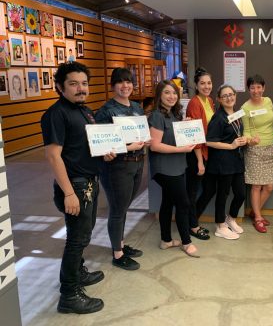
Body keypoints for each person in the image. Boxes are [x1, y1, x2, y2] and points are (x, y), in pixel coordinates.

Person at [40, 61, 115, 314]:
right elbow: (53, 156)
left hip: (89, 182)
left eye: (84, 83)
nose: (80, 88)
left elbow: (84, 145)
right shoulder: (56, 114)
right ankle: (69, 294)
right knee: (76, 239)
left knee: (84, 234)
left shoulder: (84, 111)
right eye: (73, 84)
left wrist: (103, 154)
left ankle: (78, 272)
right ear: (60, 87)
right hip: (75, 186)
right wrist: (69, 193)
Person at [95, 68, 147, 270]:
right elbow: (100, 145)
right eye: (120, 82)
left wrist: (143, 142)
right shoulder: (106, 111)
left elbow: (140, 133)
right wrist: (127, 147)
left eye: (129, 82)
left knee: (124, 207)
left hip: (137, 163)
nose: (125, 86)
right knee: (117, 210)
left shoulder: (136, 107)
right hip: (117, 167)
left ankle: (121, 245)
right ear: (112, 85)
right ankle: (117, 254)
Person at [149, 80, 199, 257]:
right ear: (159, 95)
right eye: (167, 93)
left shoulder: (175, 114)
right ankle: (186, 242)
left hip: (178, 165)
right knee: (183, 204)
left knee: (168, 202)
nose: (171, 96)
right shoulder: (156, 115)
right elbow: (154, 146)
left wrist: (185, 126)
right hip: (164, 168)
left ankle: (166, 240)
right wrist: (181, 149)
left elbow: (176, 137)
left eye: (174, 93)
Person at [195, 85, 247, 240]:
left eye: (231, 94)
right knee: (222, 195)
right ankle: (220, 226)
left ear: (235, 96)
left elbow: (236, 133)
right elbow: (209, 142)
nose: (229, 98)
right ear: (218, 99)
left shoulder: (236, 115)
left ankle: (230, 218)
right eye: (224, 96)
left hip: (236, 160)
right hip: (222, 162)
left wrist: (243, 140)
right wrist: (231, 145)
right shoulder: (218, 118)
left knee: (241, 194)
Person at [241, 74, 273, 233]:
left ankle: (254, 212)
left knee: (269, 186)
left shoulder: (269, 101)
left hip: (272, 147)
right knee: (257, 186)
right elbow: (246, 131)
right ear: (248, 89)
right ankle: (258, 217)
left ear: (263, 88)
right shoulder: (245, 108)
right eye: (252, 87)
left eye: (258, 87)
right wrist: (251, 140)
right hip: (255, 150)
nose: (256, 90)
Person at [186, 67, 215, 240]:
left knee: (209, 189)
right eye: (202, 83)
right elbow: (195, 134)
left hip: (207, 153)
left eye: (209, 83)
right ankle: (193, 226)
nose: (206, 86)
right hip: (196, 155)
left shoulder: (210, 101)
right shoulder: (194, 103)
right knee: (192, 192)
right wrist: (199, 162)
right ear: (196, 85)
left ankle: (191, 220)